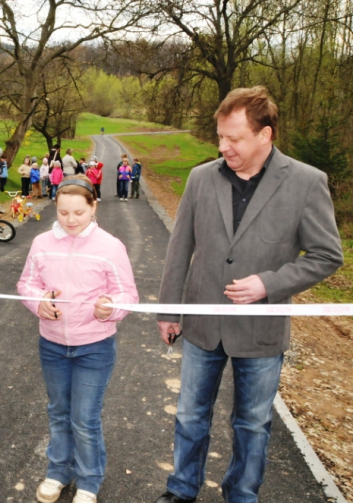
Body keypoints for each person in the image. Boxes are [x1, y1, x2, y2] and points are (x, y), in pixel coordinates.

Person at [154, 86, 344, 503]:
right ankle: (181, 489)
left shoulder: (306, 182)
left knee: (253, 424)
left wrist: (269, 284)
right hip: (202, 325)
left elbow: (327, 255)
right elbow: (179, 247)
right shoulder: (201, 178)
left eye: (234, 138)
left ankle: (241, 494)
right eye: (220, 136)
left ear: (265, 135)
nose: (224, 147)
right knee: (189, 416)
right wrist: (169, 311)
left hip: (261, 329)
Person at [17, 175, 138, 503]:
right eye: (64, 212)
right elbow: (26, 284)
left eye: (79, 213)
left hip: (94, 347)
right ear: (56, 206)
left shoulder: (110, 246)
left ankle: (89, 480)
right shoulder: (42, 243)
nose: (70, 220)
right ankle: (58, 471)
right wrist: (39, 301)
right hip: (52, 345)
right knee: (58, 411)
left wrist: (109, 309)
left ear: (93, 207)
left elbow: (127, 294)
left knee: (84, 417)